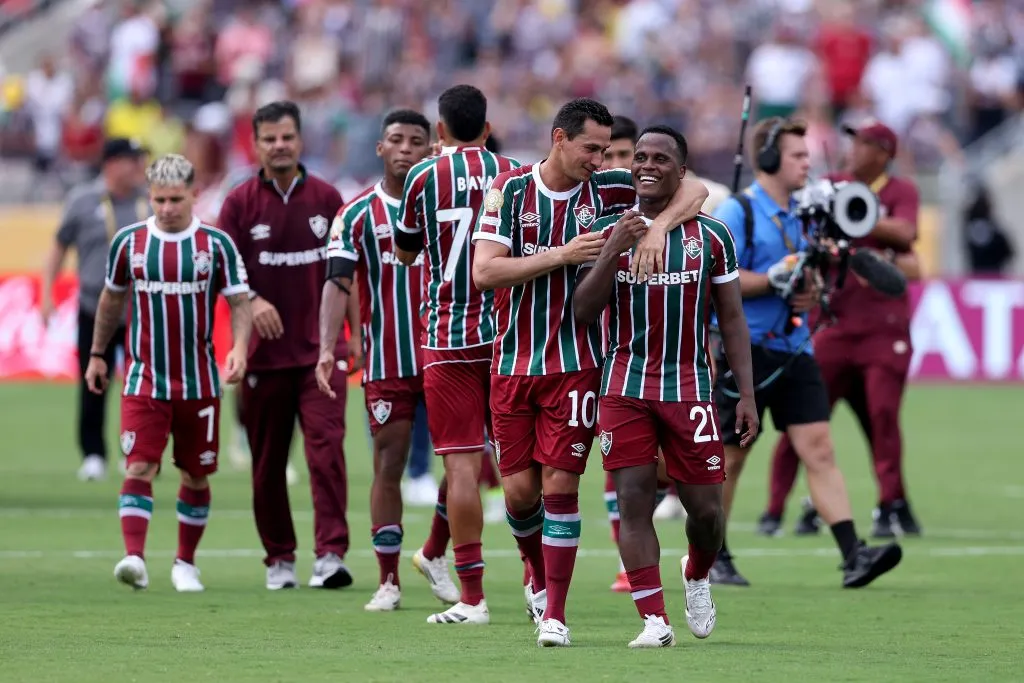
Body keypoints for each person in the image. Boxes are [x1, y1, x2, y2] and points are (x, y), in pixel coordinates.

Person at [472, 98, 708, 647]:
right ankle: (535, 573)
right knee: (518, 496)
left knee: (560, 487)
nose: (601, 160)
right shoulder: (509, 192)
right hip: (511, 364)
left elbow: (694, 190)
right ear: (559, 139)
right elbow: (485, 271)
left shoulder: (607, 187)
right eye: (591, 149)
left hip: (578, 365)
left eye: (606, 150)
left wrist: (657, 230)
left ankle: (554, 612)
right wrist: (562, 254)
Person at [574, 125, 758, 648]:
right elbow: (583, 312)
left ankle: (697, 574)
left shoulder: (711, 236)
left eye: (660, 159)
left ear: (681, 171)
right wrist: (613, 250)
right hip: (623, 385)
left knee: (705, 512)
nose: (647, 166)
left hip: (690, 388)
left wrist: (745, 394)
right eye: (641, 158)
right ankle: (654, 619)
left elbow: (733, 319)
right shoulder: (609, 224)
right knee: (634, 501)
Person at [709, 116, 902, 588]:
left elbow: (808, 277)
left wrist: (809, 288)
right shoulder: (739, 212)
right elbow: (719, 282)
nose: (806, 164)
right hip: (745, 352)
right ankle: (713, 554)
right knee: (732, 456)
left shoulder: (806, 213)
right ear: (770, 158)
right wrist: (774, 277)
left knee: (819, 448)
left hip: (795, 347)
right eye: (797, 155)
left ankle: (853, 554)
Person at [83, 153, 252, 592]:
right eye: (159, 199)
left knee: (195, 475)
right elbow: (111, 300)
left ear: (194, 195)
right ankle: (134, 558)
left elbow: (239, 303)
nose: (167, 208)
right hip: (145, 381)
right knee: (139, 465)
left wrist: (238, 349)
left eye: (176, 199)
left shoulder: (216, 245)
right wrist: (98, 353)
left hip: (198, 384)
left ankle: (185, 562)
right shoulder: (129, 242)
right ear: (149, 196)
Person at [316, 108, 460, 612]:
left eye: (415, 140)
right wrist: (325, 348)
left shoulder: (451, 208)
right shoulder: (355, 215)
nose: (404, 148)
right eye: (395, 139)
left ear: (431, 148)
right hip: (388, 361)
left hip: (451, 353)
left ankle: (435, 550)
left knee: (470, 462)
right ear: (379, 149)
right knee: (387, 466)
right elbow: (336, 283)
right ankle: (388, 581)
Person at [392, 84, 520, 625]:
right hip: (508, 335)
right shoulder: (514, 172)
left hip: (446, 336)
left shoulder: (423, 175)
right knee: (521, 460)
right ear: (487, 129)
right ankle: (539, 587)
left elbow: (404, 250)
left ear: (439, 132)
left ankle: (473, 598)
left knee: (461, 464)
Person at [761, 121, 924, 538]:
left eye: (865, 143)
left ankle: (890, 503)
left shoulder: (899, 190)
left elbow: (907, 236)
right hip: (832, 323)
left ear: (884, 153)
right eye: (853, 141)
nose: (854, 149)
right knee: (803, 418)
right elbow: (803, 223)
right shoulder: (831, 184)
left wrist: (854, 214)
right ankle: (774, 508)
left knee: (883, 416)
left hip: (883, 329)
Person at [217, 101, 352, 591]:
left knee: (327, 453)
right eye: (270, 138)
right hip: (264, 360)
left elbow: (347, 272)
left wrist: (349, 337)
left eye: (287, 137)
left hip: (320, 356)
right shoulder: (238, 204)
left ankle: (331, 554)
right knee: (267, 464)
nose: (279, 145)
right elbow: (221, 270)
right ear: (256, 144)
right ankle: (279, 558)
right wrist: (251, 300)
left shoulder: (327, 197)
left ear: (300, 140)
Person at [42, 137, 149, 482]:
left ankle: (137, 450)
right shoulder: (83, 200)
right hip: (94, 307)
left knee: (144, 385)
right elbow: (58, 247)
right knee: (93, 381)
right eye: (131, 161)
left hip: (141, 310)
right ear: (112, 163)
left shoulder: (149, 201)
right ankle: (93, 454)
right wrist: (47, 294)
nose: (137, 167)